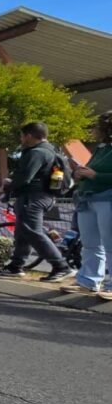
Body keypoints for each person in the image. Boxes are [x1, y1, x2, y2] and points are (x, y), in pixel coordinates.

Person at [0, 122, 75, 282]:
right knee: (22, 232)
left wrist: (8, 185)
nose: (21, 139)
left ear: (29, 136)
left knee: (33, 231)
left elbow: (25, 177)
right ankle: (16, 265)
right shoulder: (51, 150)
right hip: (44, 196)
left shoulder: (36, 153)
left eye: (22, 136)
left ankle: (61, 266)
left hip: (33, 198)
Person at [62, 111, 112, 298]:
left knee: (110, 243)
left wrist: (94, 175)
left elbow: (96, 173)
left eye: (99, 125)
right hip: (89, 198)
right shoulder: (102, 148)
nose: (95, 129)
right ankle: (88, 281)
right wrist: (80, 173)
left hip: (107, 199)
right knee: (90, 243)